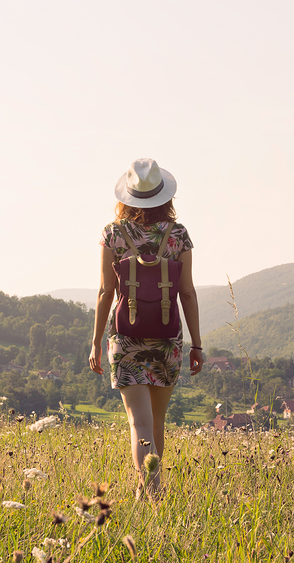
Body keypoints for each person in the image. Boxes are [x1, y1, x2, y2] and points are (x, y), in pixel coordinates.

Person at [89, 158, 204, 499]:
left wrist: (96, 342)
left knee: (139, 425)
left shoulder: (112, 233)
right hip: (168, 340)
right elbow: (187, 292)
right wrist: (196, 344)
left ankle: (151, 495)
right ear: (165, 197)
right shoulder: (178, 235)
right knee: (156, 424)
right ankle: (147, 491)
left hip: (125, 339)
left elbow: (105, 292)